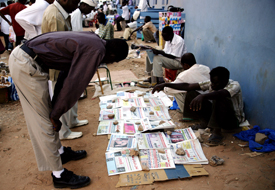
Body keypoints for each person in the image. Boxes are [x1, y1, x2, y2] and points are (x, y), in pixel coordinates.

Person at [9, 31, 129, 188]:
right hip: (26, 64)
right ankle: (58, 175)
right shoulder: (96, 51)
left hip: (30, 61)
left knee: (49, 115)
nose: (109, 64)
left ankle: (60, 152)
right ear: (112, 56)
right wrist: (56, 114)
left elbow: (66, 74)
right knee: (45, 122)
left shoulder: (95, 41)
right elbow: (74, 84)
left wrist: (56, 110)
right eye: (113, 62)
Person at [153, 66, 245, 144]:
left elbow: (221, 94)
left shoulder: (234, 85)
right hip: (218, 114)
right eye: (212, 82)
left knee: (218, 97)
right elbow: (188, 86)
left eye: (216, 83)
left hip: (232, 120)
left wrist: (203, 96)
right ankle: (205, 123)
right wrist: (166, 84)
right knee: (192, 93)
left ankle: (217, 131)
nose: (212, 85)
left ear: (225, 80)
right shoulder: (212, 83)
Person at [42, 0, 87, 140]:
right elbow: (58, 45)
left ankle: (72, 121)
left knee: (70, 94)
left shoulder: (62, 13)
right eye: (75, 2)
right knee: (61, 97)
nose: (76, 6)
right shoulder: (55, 15)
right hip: (58, 65)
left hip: (65, 63)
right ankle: (63, 132)